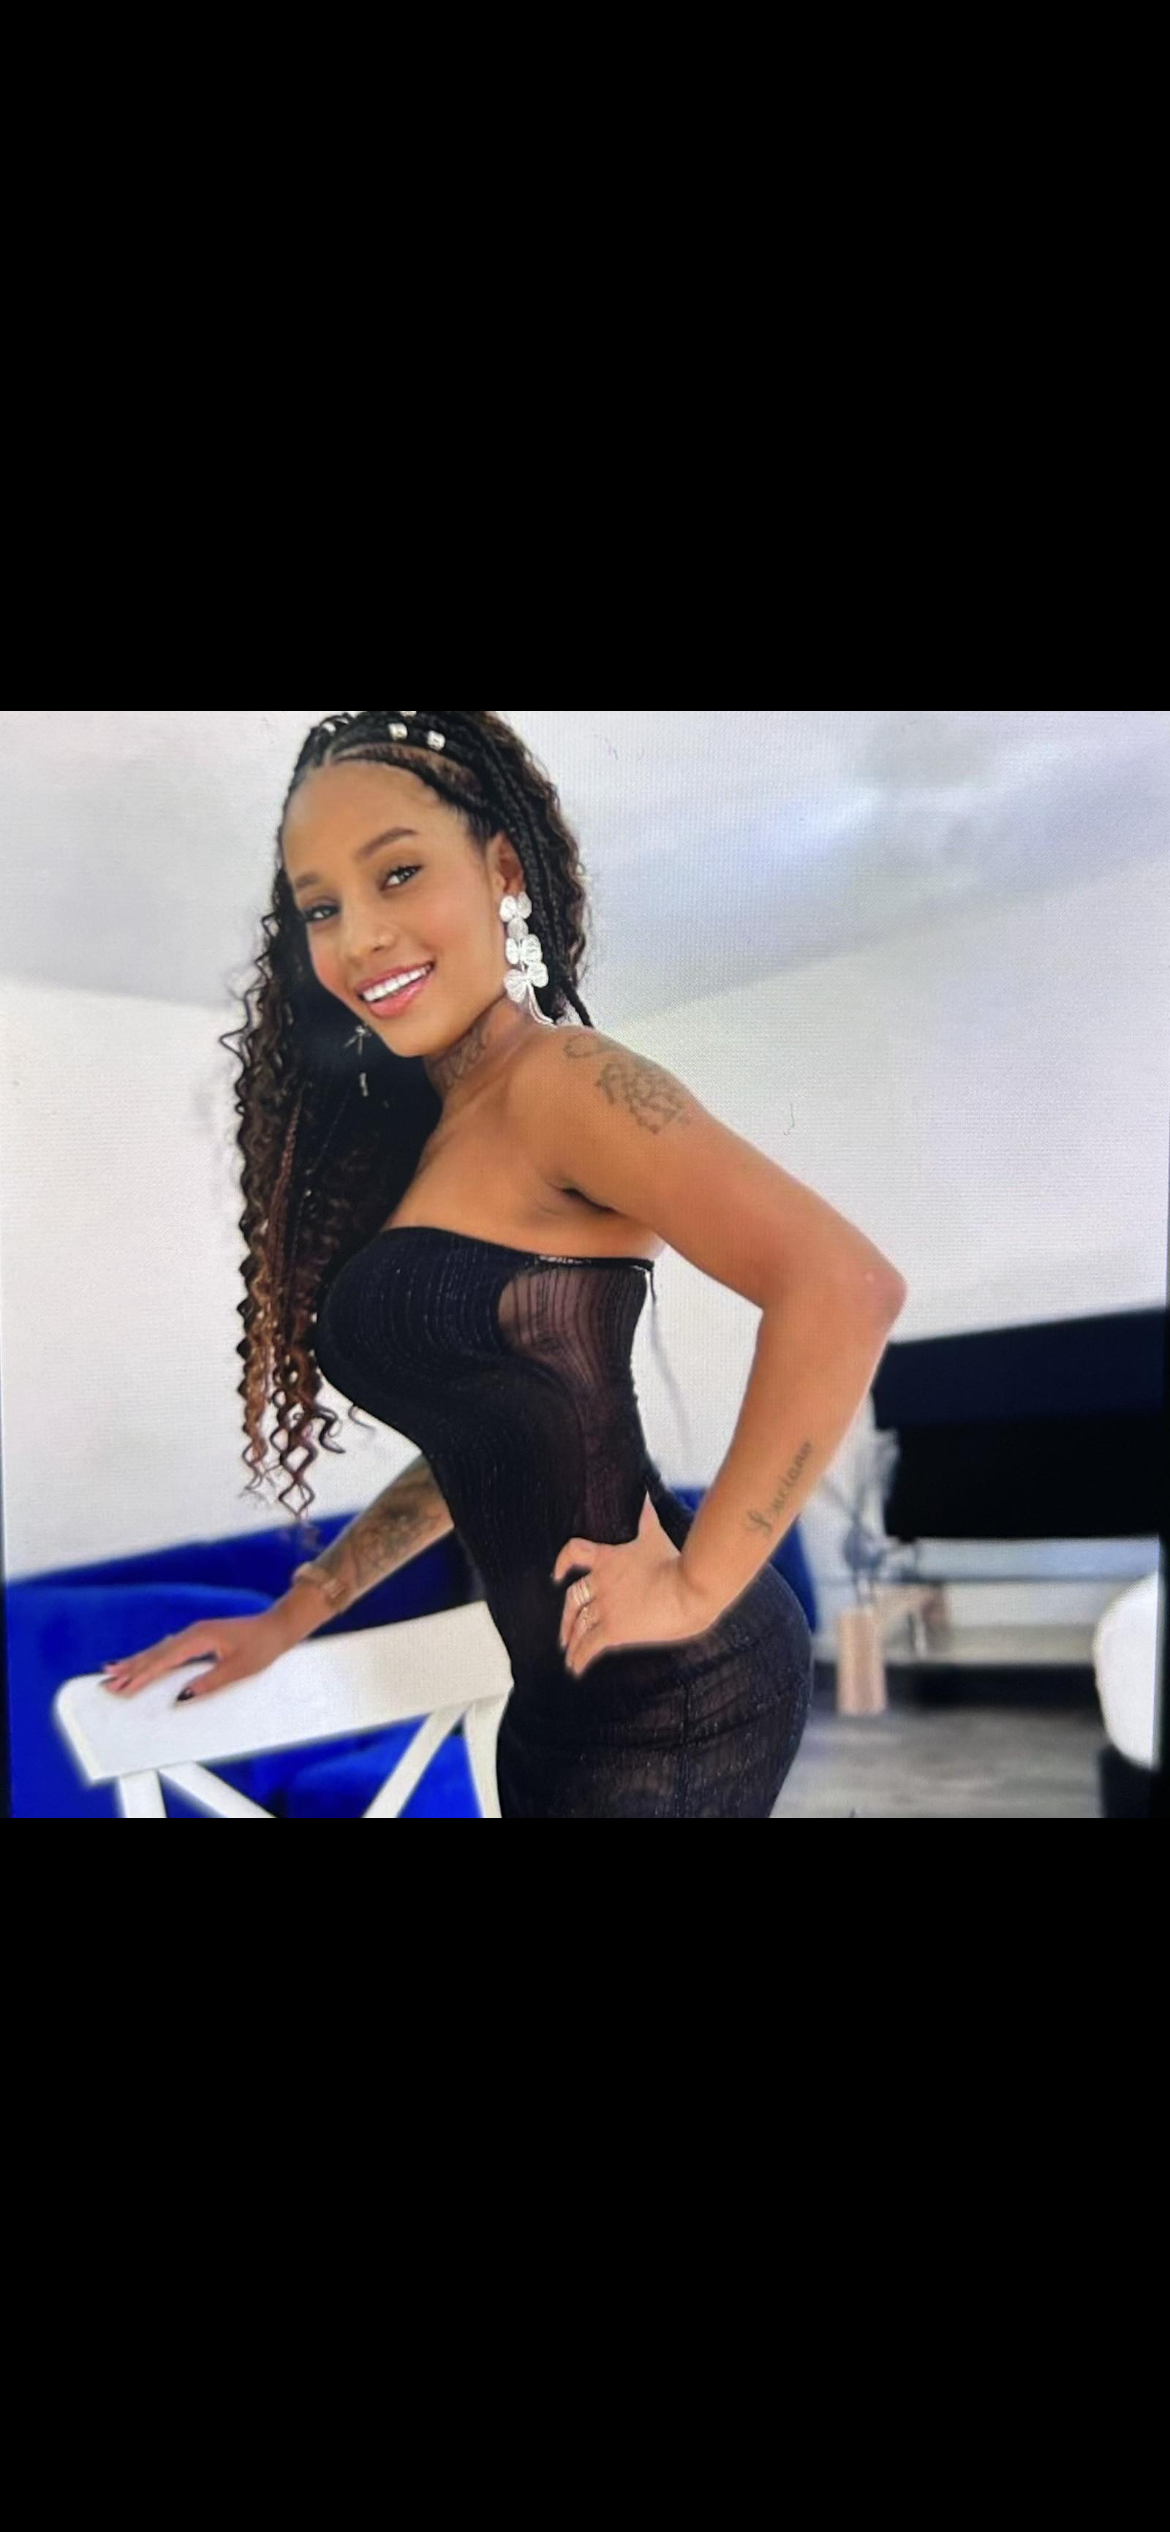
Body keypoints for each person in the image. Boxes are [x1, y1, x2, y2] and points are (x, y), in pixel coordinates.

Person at [100, 709, 907, 1818]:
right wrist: (300, 1609)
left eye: (398, 874)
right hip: (558, 1703)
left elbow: (844, 1288)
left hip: (674, 1697)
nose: (359, 937)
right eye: (322, 907)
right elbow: (491, 1437)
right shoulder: (442, 1131)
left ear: (503, 871)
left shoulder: (565, 1081)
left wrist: (696, 1586)